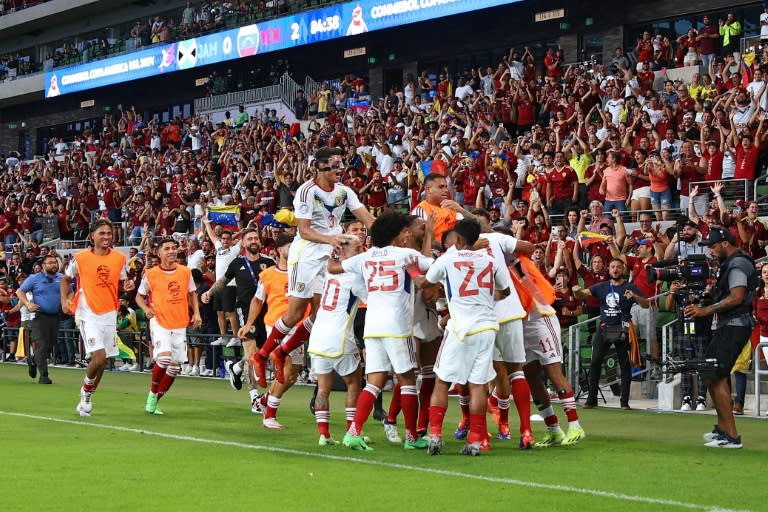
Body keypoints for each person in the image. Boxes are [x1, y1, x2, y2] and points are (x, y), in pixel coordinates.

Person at [250, 147, 374, 388]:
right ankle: (262, 354)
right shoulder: (307, 191)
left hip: (328, 254)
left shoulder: (344, 192)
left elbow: (368, 219)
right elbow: (304, 230)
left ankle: (282, 351)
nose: (341, 169)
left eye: (341, 164)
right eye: (336, 165)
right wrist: (332, 239)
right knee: (296, 312)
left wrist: (389, 233)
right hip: (306, 254)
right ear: (321, 167)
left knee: (318, 315)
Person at [329, 211, 432, 451]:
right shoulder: (405, 254)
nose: (408, 234)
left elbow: (333, 268)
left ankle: (353, 432)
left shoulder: (364, 258)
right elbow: (433, 266)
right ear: (396, 234)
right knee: (407, 379)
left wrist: (333, 249)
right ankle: (412, 436)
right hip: (397, 326)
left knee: (374, 381)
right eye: (405, 231)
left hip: (372, 325)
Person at [411, 220, 511, 456]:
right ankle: (475, 440)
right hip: (486, 328)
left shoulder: (448, 258)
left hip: (460, 328)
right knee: (478, 384)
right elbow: (505, 291)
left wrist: (412, 269)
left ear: (457, 239)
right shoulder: (490, 260)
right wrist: (485, 298)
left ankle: (435, 435)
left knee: (442, 381)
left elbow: (425, 282)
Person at [685, 227, 757, 448]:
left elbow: (737, 297)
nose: (711, 251)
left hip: (735, 324)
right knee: (710, 374)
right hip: (728, 323)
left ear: (725, 243)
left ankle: (732, 436)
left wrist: (705, 311)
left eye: (714, 246)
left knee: (715, 375)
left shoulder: (738, 263)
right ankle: (723, 428)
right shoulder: (730, 263)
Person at [61, 219, 135, 417]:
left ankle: (88, 395)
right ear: (92, 236)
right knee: (99, 357)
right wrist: (64, 300)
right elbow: (66, 279)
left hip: (109, 312)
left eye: (109, 233)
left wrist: (126, 288)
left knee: (103, 360)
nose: (106, 237)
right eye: (102, 233)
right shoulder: (81, 258)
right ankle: (85, 392)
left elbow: (120, 284)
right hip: (87, 312)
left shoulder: (120, 258)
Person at [238, 233, 308, 429]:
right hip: (278, 326)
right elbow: (257, 300)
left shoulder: (304, 271)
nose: (293, 250)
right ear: (279, 250)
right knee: (285, 370)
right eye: (289, 246)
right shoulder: (267, 274)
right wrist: (248, 323)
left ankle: (265, 400)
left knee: (292, 376)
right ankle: (269, 416)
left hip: (301, 325)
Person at [202, 227, 274, 411]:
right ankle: (254, 399)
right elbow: (223, 281)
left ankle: (236, 368)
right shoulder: (237, 263)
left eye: (255, 238)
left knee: (261, 355)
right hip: (245, 312)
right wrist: (209, 292)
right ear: (243, 243)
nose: (253, 241)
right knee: (251, 355)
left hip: (267, 312)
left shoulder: (269, 262)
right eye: (249, 238)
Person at [307, 238, 366, 446]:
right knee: (354, 383)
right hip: (340, 338)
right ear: (345, 253)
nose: (362, 251)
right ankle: (352, 431)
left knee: (323, 388)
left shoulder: (328, 275)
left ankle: (324, 435)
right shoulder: (354, 278)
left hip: (318, 337)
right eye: (358, 249)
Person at [136, 237, 201, 414]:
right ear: (159, 253)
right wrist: (145, 308)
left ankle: (155, 400)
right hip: (160, 321)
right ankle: (152, 394)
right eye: (167, 248)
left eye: (174, 248)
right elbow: (139, 296)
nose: (172, 251)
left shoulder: (185, 272)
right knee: (164, 359)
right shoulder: (151, 274)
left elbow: (193, 293)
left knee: (174, 367)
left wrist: (196, 313)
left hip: (180, 321)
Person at [573, 258, 649, 409]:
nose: (615, 270)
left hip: (622, 328)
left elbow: (646, 304)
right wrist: (576, 291)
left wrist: (634, 296)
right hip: (604, 328)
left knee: (624, 364)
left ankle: (624, 402)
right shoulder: (601, 287)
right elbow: (582, 295)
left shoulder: (630, 287)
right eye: (613, 267)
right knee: (595, 362)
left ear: (623, 270)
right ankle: (592, 399)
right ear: (608, 269)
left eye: (618, 267)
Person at [17, 254, 63, 384]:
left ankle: (32, 359)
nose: (54, 265)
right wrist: (28, 303)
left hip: (55, 316)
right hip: (39, 316)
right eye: (50, 263)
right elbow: (20, 292)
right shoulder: (34, 278)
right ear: (43, 266)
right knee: (42, 345)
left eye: (55, 262)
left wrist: (67, 302)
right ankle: (44, 375)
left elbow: (69, 291)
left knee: (50, 345)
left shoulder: (61, 278)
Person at [412, 173, 476, 244]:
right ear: (428, 190)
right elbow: (421, 241)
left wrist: (461, 210)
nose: (446, 190)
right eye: (441, 187)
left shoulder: (451, 206)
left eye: (446, 187)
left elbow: (472, 227)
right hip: (438, 252)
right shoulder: (421, 210)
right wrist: (449, 248)